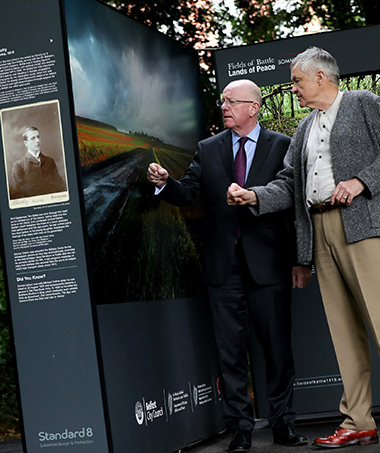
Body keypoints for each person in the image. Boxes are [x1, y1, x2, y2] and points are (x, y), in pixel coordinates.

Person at [227, 47, 380, 449]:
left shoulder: (363, 103)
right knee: (343, 333)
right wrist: (254, 197)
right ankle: (358, 422)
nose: (294, 88)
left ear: (321, 77)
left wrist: (361, 181)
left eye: (297, 81)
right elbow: (289, 184)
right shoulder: (303, 128)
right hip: (319, 232)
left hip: (361, 226)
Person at [147, 79, 310, 452]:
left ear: (252, 107)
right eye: (222, 101)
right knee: (230, 352)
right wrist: (164, 183)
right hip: (223, 268)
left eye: (231, 101)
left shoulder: (282, 146)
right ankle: (240, 428)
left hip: (269, 265)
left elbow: (293, 208)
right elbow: (188, 192)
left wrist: (302, 260)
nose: (223, 106)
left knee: (276, 349)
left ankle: (283, 424)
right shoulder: (208, 148)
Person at [10, 126, 66, 198]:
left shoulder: (50, 161)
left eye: (38, 137)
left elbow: (60, 186)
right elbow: (17, 192)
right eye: (33, 138)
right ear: (26, 143)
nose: (37, 140)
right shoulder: (18, 165)